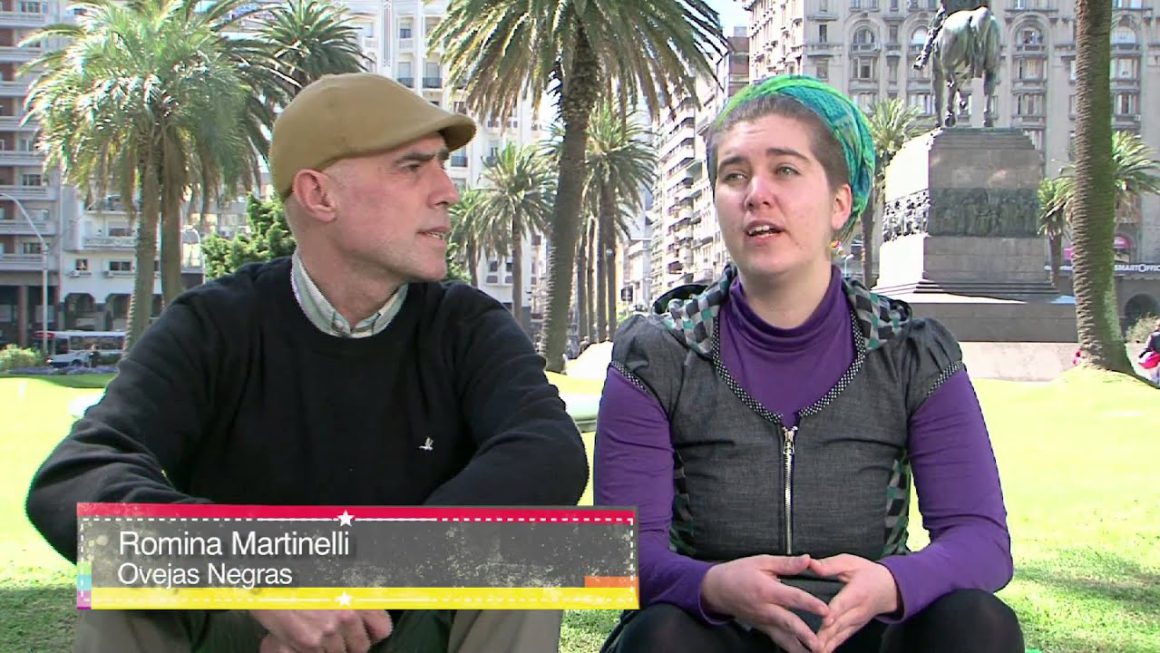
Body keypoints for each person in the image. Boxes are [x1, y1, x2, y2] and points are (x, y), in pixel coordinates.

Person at [26, 73, 589, 653]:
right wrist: (249, 571)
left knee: (532, 556)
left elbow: (548, 450)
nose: (448, 191)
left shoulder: (467, 325)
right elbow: (77, 475)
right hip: (252, 628)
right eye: (412, 167)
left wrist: (368, 572)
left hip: (405, 615)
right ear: (320, 196)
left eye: (441, 166)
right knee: (121, 577)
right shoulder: (213, 325)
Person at [595, 75, 1023, 653]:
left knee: (979, 622)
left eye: (785, 170)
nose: (756, 194)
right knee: (659, 637)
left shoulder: (910, 352)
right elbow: (621, 556)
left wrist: (893, 584)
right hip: (717, 633)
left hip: (866, 632)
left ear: (840, 204)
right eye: (734, 175)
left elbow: (982, 541)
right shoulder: (658, 353)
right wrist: (713, 587)